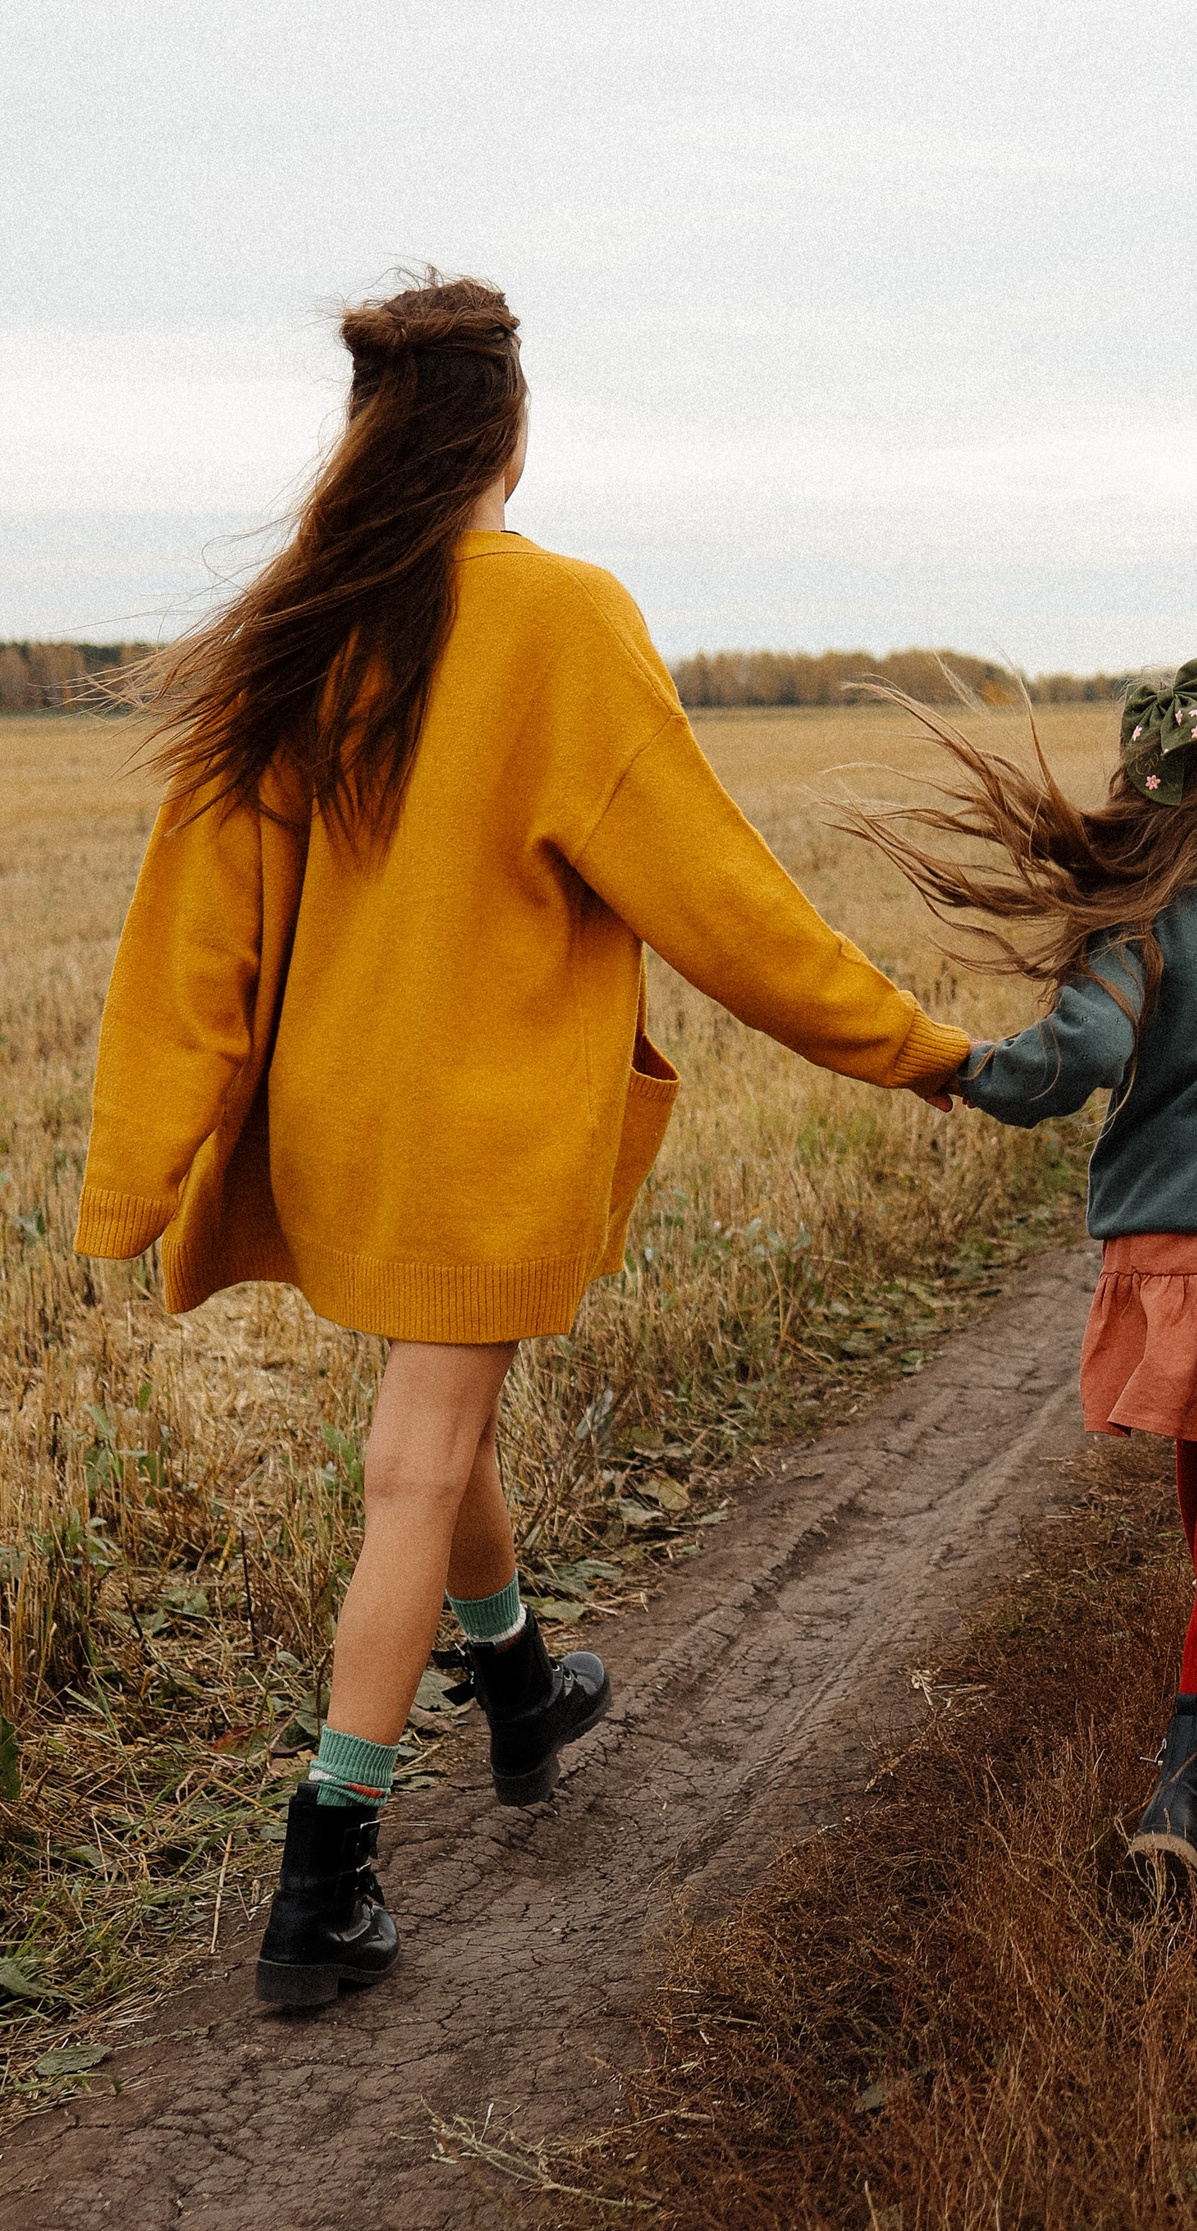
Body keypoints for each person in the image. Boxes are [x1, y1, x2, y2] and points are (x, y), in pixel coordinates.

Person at [76, 274, 970, 2014]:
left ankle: (517, 1682)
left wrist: (139, 1163)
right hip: (476, 1145)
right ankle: (327, 1868)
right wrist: (918, 1049)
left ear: (370, 437)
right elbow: (723, 901)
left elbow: (191, 926)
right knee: (417, 1461)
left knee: (441, 1411)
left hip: (342, 1134)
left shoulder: (316, 620)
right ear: (511, 433)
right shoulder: (560, 616)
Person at [849, 656, 1197, 1893]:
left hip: (1159, 1258)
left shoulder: (1137, 915)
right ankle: (1186, 1793)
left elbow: (1074, 1057)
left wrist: (955, 1064)